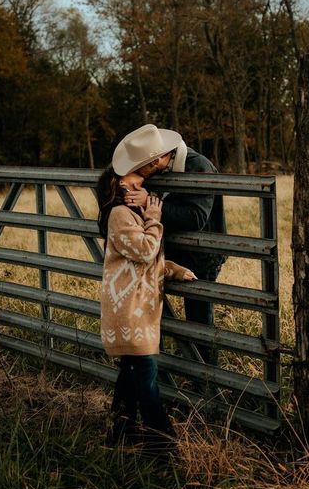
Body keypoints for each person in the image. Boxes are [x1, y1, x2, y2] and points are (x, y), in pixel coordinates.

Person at [97, 166, 196, 452]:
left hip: (138, 310)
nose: (142, 177)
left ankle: (118, 435)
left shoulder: (130, 215)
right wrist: (154, 218)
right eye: (133, 175)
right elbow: (143, 251)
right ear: (119, 183)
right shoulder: (119, 215)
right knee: (147, 380)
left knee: (131, 376)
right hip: (129, 311)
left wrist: (173, 270)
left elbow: (140, 261)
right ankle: (162, 447)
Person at [112, 124, 227, 366]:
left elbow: (196, 217)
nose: (136, 170)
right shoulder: (157, 171)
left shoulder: (199, 167)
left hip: (201, 255)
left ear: (155, 161)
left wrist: (149, 201)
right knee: (151, 310)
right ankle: (159, 368)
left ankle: (205, 377)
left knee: (198, 317)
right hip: (165, 252)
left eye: (138, 165)